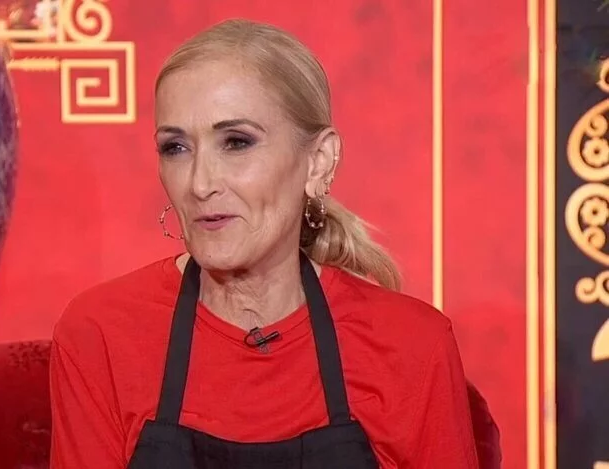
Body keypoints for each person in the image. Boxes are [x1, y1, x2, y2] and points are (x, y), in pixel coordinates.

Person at [49, 18, 479, 469]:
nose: (199, 184)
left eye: (236, 142)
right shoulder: (100, 333)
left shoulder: (412, 347)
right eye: (176, 148)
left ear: (318, 161)